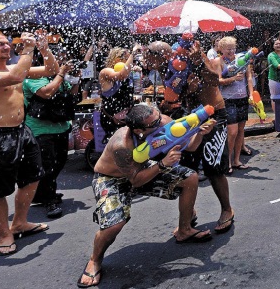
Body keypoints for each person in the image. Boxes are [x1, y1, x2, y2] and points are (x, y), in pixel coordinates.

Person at [77, 104, 214, 288]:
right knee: (114, 224)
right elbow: (135, 181)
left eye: (159, 117)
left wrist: (199, 132)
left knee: (190, 178)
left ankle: (184, 230)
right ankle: (95, 260)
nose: (161, 123)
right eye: (155, 123)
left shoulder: (163, 121)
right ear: (139, 130)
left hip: (144, 168)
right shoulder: (122, 145)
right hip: (112, 178)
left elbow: (190, 146)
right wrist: (163, 164)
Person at [0, 30, 59, 256]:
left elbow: (51, 71)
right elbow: (18, 77)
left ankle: (19, 222)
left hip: (22, 130)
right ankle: (4, 235)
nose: (7, 46)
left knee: (33, 177)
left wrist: (44, 48)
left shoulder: (13, 68)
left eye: (6, 43)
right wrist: (28, 50)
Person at [145, 38, 236, 237]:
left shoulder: (193, 55)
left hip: (213, 114)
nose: (149, 65)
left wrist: (200, 63)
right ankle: (188, 217)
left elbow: (215, 80)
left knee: (213, 167)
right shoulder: (167, 67)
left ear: (163, 55)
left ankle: (227, 209)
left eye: (152, 60)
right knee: (186, 169)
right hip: (189, 118)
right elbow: (175, 97)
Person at [24, 52, 81, 218]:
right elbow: (47, 93)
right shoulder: (33, 76)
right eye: (58, 60)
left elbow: (71, 94)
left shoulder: (58, 76)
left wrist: (76, 78)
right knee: (48, 165)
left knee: (60, 162)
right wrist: (62, 73)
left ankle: (41, 193)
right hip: (40, 129)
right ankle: (50, 200)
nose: (61, 62)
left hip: (60, 127)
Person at [218, 36, 254, 173]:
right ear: (221, 49)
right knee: (232, 132)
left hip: (242, 98)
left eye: (233, 48)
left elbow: (249, 77)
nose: (231, 51)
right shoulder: (219, 61)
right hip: (228, 99)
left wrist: (251, 94)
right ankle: (227, 162)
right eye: (228, 49)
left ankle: (237, 160)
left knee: (240, 131)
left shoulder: (242, 59)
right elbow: (218, 81)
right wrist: (233, 78)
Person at [99, 45, 141, 140]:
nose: (128, 61)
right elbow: (122, 75)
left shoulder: (126, 71)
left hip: (125, 117)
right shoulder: (106, 71)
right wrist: (133, 53)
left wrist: (136, 73)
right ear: (117, 59)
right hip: (112, 118)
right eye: (125, 58)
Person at [267, 38, 280, 115]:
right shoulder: (271, 55)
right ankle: (276, 115)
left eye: (279, 43)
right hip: (274, 80)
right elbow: (277, 65)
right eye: (276, 44)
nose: (278, 45)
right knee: (274, 98)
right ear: (273, 46)